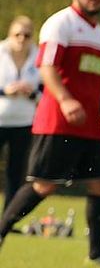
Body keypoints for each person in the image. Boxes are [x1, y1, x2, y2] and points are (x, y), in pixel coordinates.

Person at [0, 0, 100, 267]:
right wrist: (65, 100)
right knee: (44, 185)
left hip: (90, 124)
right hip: (58, 121)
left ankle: (97, 254)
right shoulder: (60, 23)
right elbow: (46, 67)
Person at [0, 16, 41, 211]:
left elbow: (46, 90)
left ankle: (7, 217)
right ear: (10, 34)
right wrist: (4, 91)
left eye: (26, 35)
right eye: (17, 34)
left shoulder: (39, 56)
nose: (21, 39)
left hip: (25, 122)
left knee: (15, 172)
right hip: (1, 119)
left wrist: (31, 93)